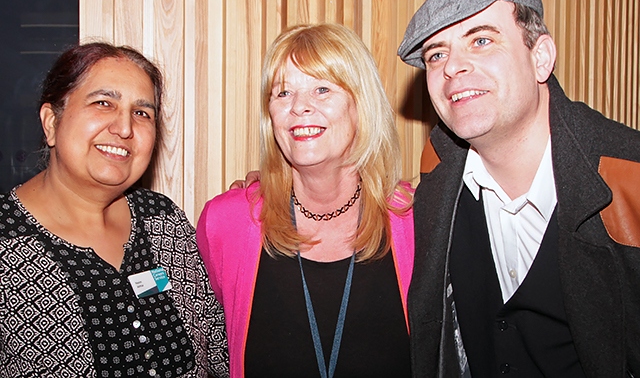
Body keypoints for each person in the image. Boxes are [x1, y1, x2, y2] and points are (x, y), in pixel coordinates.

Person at [397, 0, 640, 377]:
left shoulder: (628, 175)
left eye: (481, 40)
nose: (453, 66)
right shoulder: (437, 177)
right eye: (437, 54)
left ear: (540, 57)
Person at [196, 23, 414, 378]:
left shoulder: (417, 220)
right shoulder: (227, 223)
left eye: (322, 89)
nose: (299, 107)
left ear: (362, 105)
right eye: (282, 93)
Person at [0, 42, 229, 378]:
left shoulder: (162, 221)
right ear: (51, 122)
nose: (124, 129)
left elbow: (220, 348)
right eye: (103, 103)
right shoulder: (7, 240)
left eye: (141, 113)